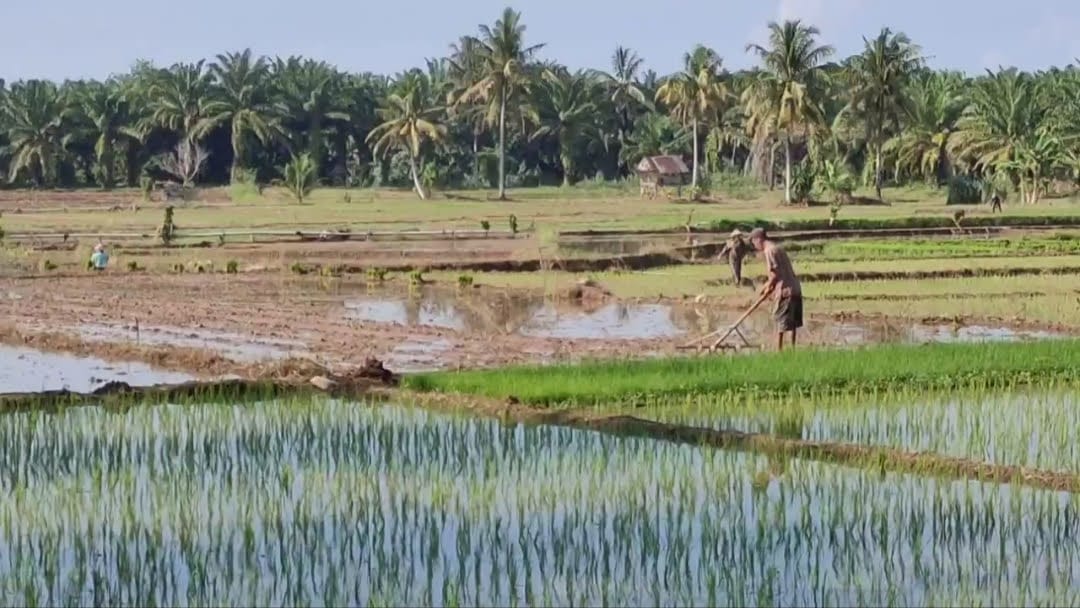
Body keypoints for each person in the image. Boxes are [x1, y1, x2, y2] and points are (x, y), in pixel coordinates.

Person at [748, 227, 802, 350]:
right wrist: (767, 287)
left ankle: (779, 352)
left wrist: (767, 288)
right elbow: (780, 272)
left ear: (758, 239)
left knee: (780, 322)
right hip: (795, 288)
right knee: (792, 323)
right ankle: (793, 349)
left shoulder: (769, 251)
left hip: (785, 291)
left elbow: (775, 275)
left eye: (753, 242)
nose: (754, 246)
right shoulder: (778, 248)